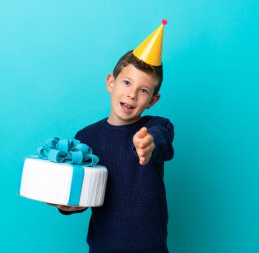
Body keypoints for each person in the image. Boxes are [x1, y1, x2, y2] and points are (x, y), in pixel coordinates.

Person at [49, 21, 174, 253]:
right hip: (103, 248)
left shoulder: (156, 127)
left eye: (143, 90)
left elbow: (161, 141)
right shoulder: (85, 138)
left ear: (152, 101)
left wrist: (148, 145)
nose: (132, 94)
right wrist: (67, 205)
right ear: (111, 82)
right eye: (127, 82)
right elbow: (82, 194)